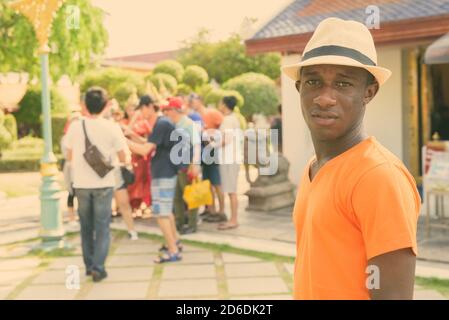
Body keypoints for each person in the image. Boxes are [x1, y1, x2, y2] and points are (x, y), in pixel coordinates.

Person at [281, 17, 421, 299]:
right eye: (313, 81)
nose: (324, 98)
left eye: (343, 84)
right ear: (299, 88)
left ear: (368, 92)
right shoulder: (314, 168)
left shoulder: (378, 176)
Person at [65, 87, 127, 282]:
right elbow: (123, 155)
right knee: (102, 227)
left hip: (81, 183)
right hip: (104, 182)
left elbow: (68, 155)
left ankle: (89, 264)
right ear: (106, 105)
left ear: (84, 105)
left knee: (86, 226)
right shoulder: (112, 127)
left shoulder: (76, 126)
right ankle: (98, 267)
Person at [126, 96, 183, 263]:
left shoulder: (161, 123)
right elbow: (150, 142)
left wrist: (122, 140)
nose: (140, 113)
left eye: (142, 108)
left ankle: (173, 251)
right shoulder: (163, 123)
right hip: (167, 172)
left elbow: (145, 150)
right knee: (167, 212)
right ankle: (175, 242)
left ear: (150, 106)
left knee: (161, 214)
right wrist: (132, 136)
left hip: (163, 173)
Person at [163, 97, 202, 234]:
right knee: (177, 197)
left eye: (168, 109)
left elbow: (197, 145)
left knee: (191, 196)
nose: (166, 112)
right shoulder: (174, 124)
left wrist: (195, 164)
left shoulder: (188, 124)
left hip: (188, 166)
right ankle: (179, 223)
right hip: (177, 166)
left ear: (174, 110)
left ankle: (192, 224)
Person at [189, 93, 226, 222]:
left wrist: (213, 138)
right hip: (201, 152)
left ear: (200, 100)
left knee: (216, 183)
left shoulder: (212, 113)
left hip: (211, 150)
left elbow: (223, 128)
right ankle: (210, 210)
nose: (191, 102)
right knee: (207, 183)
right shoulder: (192, 116)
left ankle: (222, 212)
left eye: (193, 100)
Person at [107, 99, 139, 240]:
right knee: (123, 203)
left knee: (108, 203)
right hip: (114, 168)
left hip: (103, 169)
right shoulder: (115, 128)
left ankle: (129, 230)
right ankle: (132, 231)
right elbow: (123, 154)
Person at [215, 96, 242, 230]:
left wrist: (212, 145)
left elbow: (227, 139)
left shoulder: (227, 120)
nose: (219, 105)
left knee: (231, 191)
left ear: (224, 105)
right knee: (231, 190)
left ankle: (233, 220)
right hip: (231, 159)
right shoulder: (233, 118)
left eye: (220, 102)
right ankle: (233, 219)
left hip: (229, 159)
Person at [61, 110, 82, 227]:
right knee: (71, 192)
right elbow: (67, 155)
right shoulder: (66, 138)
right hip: (71, 168)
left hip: (80, 168)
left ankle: (79, 216)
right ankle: (71, 217)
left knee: (80, 193)